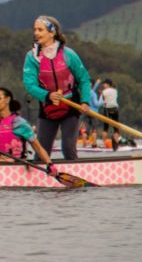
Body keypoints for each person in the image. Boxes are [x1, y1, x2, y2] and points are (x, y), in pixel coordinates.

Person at [22, 15, 92, 160]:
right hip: (47, 106)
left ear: (52, 32)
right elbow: (29, 85)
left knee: (67, 147)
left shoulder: (69, 54)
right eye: (35, 29)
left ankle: (75, 176)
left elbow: (84, 79)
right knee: (41, 152)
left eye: (40, 29)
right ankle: (40, 178)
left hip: (71, 105)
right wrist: (48, 96)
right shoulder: (32, 57)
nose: (36, 33)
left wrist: (85, 101)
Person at [0, 88, 54, 169]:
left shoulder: (19, 123)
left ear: (7, 99)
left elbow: (38, 148)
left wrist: (49, 164)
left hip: (15, 168)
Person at [98, 78, 121, 150]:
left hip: (107, 109)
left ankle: (104, 144)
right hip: (115, 109)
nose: (103, 85)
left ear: (108, 84)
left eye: (104, 84)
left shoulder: (104, 92)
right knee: (116, 128)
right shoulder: (115, 91)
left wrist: (100, 94)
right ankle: (116, 143)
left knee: (106, 127)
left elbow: (100, 102)